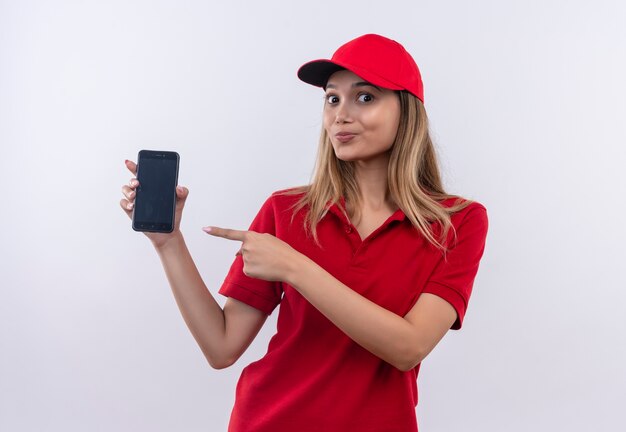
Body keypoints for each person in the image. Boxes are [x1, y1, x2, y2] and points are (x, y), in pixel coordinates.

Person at [120, 33, 488, 432]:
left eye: (365, 97)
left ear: (407, 112)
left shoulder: (456, 222)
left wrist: (295, 267)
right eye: (332, 98)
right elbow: (221, 346)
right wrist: (169, 242)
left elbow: (409, 347)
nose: (340, 115)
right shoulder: (286, 211)